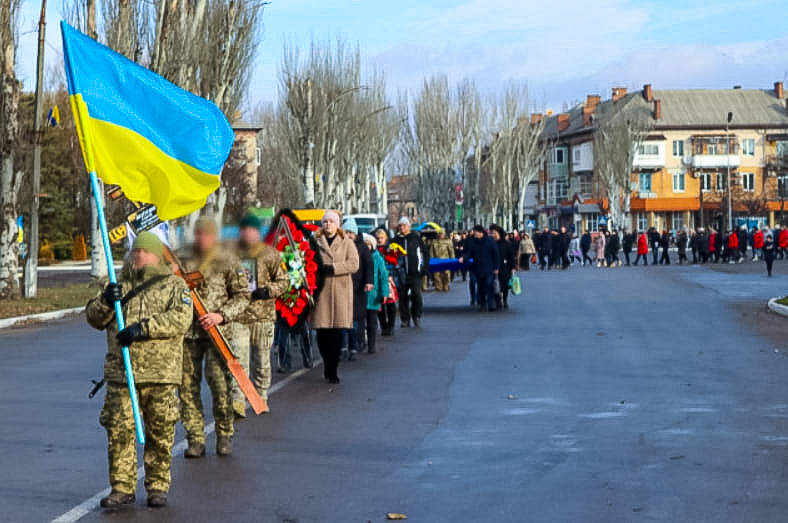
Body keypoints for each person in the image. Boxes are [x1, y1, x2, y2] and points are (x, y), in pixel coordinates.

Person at [86, 232, 192, 508]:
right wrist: (107, 301)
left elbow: (180, 319)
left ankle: (157, 485)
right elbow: (94, 318)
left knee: (160, 432)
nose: (139, 256)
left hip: (161, 374)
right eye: (136, 251)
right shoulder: (116, 284)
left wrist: (141, 329)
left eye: (146, 251)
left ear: (158, 255)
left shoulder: (174, 286)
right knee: (119, 431)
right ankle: (121, 487)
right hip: (123, 374)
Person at [180, 217, 250, 459]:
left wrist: (221, 315)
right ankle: (195, 439)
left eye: (207, 234)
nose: (202, 238)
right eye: (198, 234)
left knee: (220, 386)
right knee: (187, 389)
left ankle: (224, 433)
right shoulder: (183, 258)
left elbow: (242, 295)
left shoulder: (228, 260)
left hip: (217, 335)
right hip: (188, 334)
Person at [233, 214, 289, 417]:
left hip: (263, 316)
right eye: (244, 229)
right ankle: (238, 399)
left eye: (251, 230)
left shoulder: (270, 254)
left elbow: (284, 281)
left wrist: (268, 290)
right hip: (238, 316)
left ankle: (261, 396)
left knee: (262, 359)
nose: (247, 233)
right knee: (238, 360)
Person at [312, 211, 359, 384]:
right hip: (322, 291)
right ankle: (326, 363)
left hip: (340, 291)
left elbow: (354, 264)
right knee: (322, 332)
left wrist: (333, 268)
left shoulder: (347, 242)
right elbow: (308, 261)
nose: (328, 225)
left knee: (336, 332)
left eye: (332, 222)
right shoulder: (315, 242)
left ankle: (333, 369)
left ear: (338, 224)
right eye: (325, 222)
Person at [391, 217, 429, 328]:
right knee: (402, 296)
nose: (402, 227)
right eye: (400, 225)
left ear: (408, 226)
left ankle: (416, 316)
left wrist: (424, 268)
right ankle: (405, 319)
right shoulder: (395, 240)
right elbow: (390, 254)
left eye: (404, 225)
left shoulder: (415, 238)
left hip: (415, 272)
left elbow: (425, 253)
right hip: (401, 273)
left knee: (416, 294)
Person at [343, 218, 373, 361]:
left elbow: (369, 264)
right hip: (343, 285)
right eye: (346, 232)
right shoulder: (341, 245)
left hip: (358, 286)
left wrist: (368, 281)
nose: (348, 235)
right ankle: (345, 346)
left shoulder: (362, 246)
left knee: (356, 317)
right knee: (344, 318)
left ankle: (357, 343)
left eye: (351, 232)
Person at [459, 225, 499, 312]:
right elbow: (469, 252)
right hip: (478, 268)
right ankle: (482, 304)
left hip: (489, 267)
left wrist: (496, 267)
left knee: (489, 285)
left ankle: (491, 303)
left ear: (480, 232)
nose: (474, 234)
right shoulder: (473, 242)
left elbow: (495, 254)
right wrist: (464, 257)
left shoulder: (490, 241)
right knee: (480, 287)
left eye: (475, 233)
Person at [364, 233, 389, 354]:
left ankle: (371, 344)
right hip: (361, 295)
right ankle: (361, 343)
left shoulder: (378, 258)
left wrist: (384, 293)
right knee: (360, 321)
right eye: (365, 244)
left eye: (369, 244)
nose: (367, 246)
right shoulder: (358, 257)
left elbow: (383, 276)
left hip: (374, 296)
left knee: (372, 321)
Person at [375, 228, 399, 337]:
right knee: (379, 303)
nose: (380, 240)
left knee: (390, 303)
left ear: (385, 238)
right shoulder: (374, 250)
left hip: (389, 278)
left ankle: (391, 326)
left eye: (381, 238)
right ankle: (383, 326)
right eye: (378, 238)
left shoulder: (390, 249)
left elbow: (395, 262)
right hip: (378, 279)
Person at [490, 224, 516, 310]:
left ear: (500, 233)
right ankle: (498, 302)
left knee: (504, 286)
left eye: (495, 233)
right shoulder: (490, 243)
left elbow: (511, 256)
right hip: (493, 267)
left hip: (505, 267)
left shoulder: (506, 244)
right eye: (492, 233)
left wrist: (513, 267)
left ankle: (504, 300)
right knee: (496, 285)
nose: (493, 235)